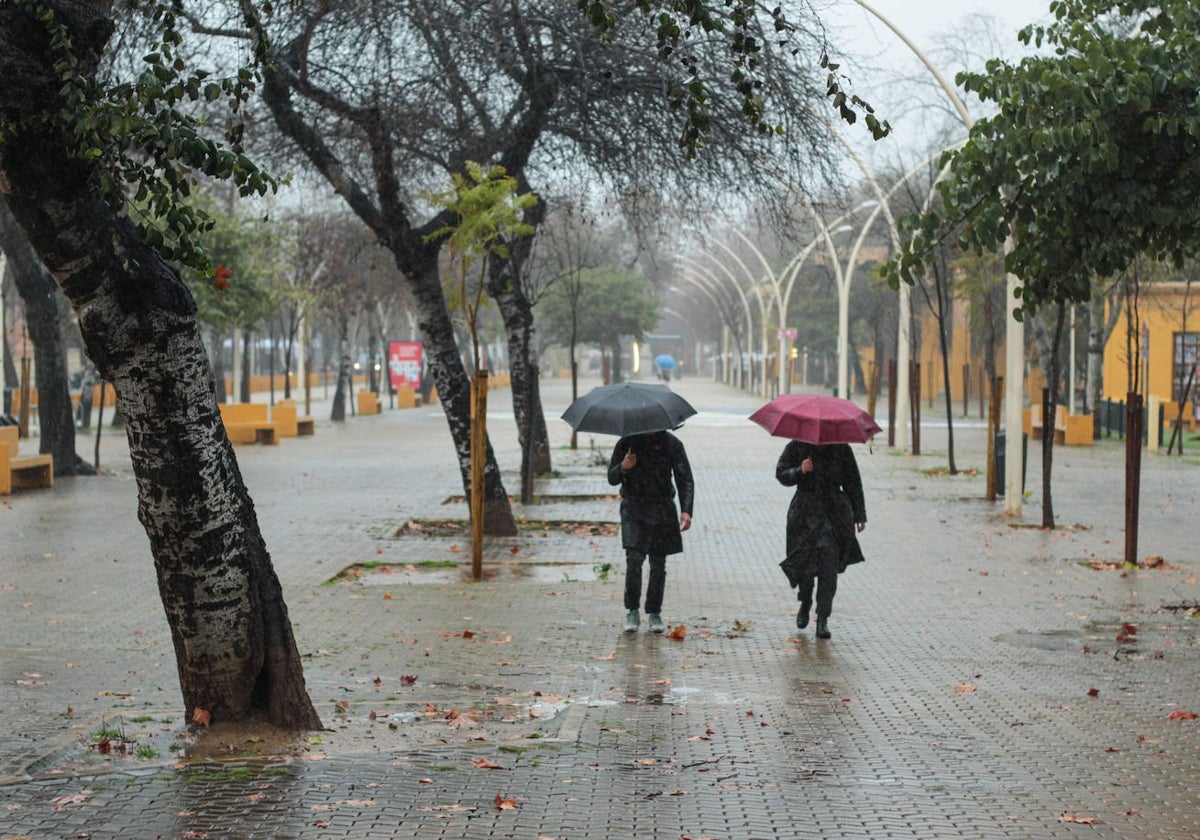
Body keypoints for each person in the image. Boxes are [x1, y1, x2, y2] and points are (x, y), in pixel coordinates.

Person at [776, 440, 866, 639]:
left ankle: (823, 617)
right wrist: (800, 470)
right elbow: (781, 473)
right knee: (804, 567)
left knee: (828, 568)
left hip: (833, 515)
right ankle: (805, 600)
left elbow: (853, 481)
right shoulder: (797, 446)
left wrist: (860, 514)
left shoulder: (842, 449)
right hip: (803, 515)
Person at [607, 429, 694, 633]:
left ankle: (654, 612)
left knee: (658, 562)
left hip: (662, 508)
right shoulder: (627, 442)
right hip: (633, 507)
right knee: (634, 559)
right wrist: (624, 467)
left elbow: (685, 478)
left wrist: (686, 510)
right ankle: (632, 610)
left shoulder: (671, 443)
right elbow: (611, 477)